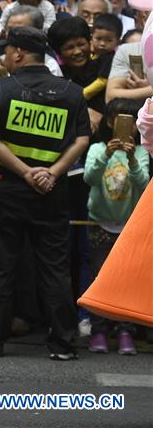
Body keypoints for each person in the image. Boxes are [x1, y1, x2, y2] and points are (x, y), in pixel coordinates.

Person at [0, 26, 89, 360]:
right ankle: (63, 343)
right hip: (52, 193)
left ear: (18, 53)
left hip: (8, 191)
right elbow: (82, 140)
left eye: (8, 51)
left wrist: (24, 172)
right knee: (55, 269)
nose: (5, 56)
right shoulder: (71, 93)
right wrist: (51, 172)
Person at [83, 98, 147, 355]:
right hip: (100, 222)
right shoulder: (98, 149)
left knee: (126, 282)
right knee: (99, 277)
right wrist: (107, 155)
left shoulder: (142, 153)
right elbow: (89, 178)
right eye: (119, 120)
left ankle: (125, 332)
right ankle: (98, 331)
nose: (124, 127)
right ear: (110, 122)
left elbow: (143, 184)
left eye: (130, 122)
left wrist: (131, 160)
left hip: (129, 225)